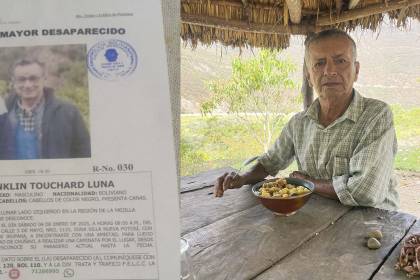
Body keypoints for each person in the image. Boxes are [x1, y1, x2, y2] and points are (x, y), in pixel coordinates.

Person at [214, 29, 399, 211]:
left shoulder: (376, 115)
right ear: (309, 76)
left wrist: (309, 183)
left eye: (340, 61)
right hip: (318, 220)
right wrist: (243, 177)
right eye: (319, 63)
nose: (329, 71)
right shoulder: (299, 123)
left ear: (356, 70)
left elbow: (365, 191)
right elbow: (270, 162)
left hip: (374, 225)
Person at [1, 59, 91, 159]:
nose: (28, 85)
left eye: (33, 78)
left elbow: (84, 152)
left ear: (44, 79)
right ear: (13, 81)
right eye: (21, 79)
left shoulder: (68, 112)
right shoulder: (3, 113)